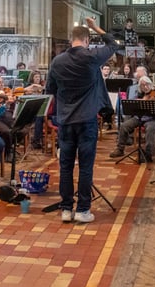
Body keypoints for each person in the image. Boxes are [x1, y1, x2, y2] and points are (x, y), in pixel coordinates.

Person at [46, 17, 118, 223]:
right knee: (86, 167)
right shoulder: (92, 57)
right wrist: (96, 27)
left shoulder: (57, 61)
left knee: (66, 167)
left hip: (65, 121)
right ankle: (83, 210)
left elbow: (50, 89)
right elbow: (113, 44)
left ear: (71, 40)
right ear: (87, 40)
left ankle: (66, 209)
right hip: (86, 120)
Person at [109, 76, 155, 164]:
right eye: (143, 85)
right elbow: (133, 103)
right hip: (139, 117)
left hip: (152, 118)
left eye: (147, 84)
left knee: (150, 129)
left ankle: (148, 154)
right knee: (124, 126)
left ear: (150, 84)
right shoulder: (139, 93)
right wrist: (140, 101)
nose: (145, 87)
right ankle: (120, 149)